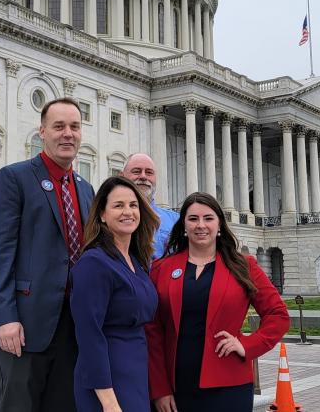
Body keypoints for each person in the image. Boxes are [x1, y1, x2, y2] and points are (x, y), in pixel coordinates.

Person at [0, 97, 96, 411]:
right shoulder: (13, 178)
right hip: (21, 329)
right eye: (58, 126)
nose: (67, 133)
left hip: (70, 329)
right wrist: (5, 319)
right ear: (42, 132)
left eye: (74, 126)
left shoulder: (86, 189)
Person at [146, 192, 290, 412]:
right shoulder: (162, 269)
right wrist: (159, 389)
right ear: (183, 225)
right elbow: (153, 332)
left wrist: (247, 344)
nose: (200, 225)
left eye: (208, 218)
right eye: (193, 219)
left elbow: (278, 315)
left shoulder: (243, 266)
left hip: (229, 385)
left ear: (219, 224)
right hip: (176, 387)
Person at [70, 176, 160, 412]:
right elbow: (89, 335)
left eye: (133, 205)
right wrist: (109, 402)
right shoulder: (94, 263)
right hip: (106, 382)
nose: (128, 212)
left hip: (137, 373)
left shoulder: (138, 262)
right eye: (118, 205)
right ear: (101, 214)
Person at [120, 153, 178, 260]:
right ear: (121, 176)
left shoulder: (176, 221)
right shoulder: (110, 219)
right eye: (136, 171)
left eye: (149, 172)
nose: (143, 176)